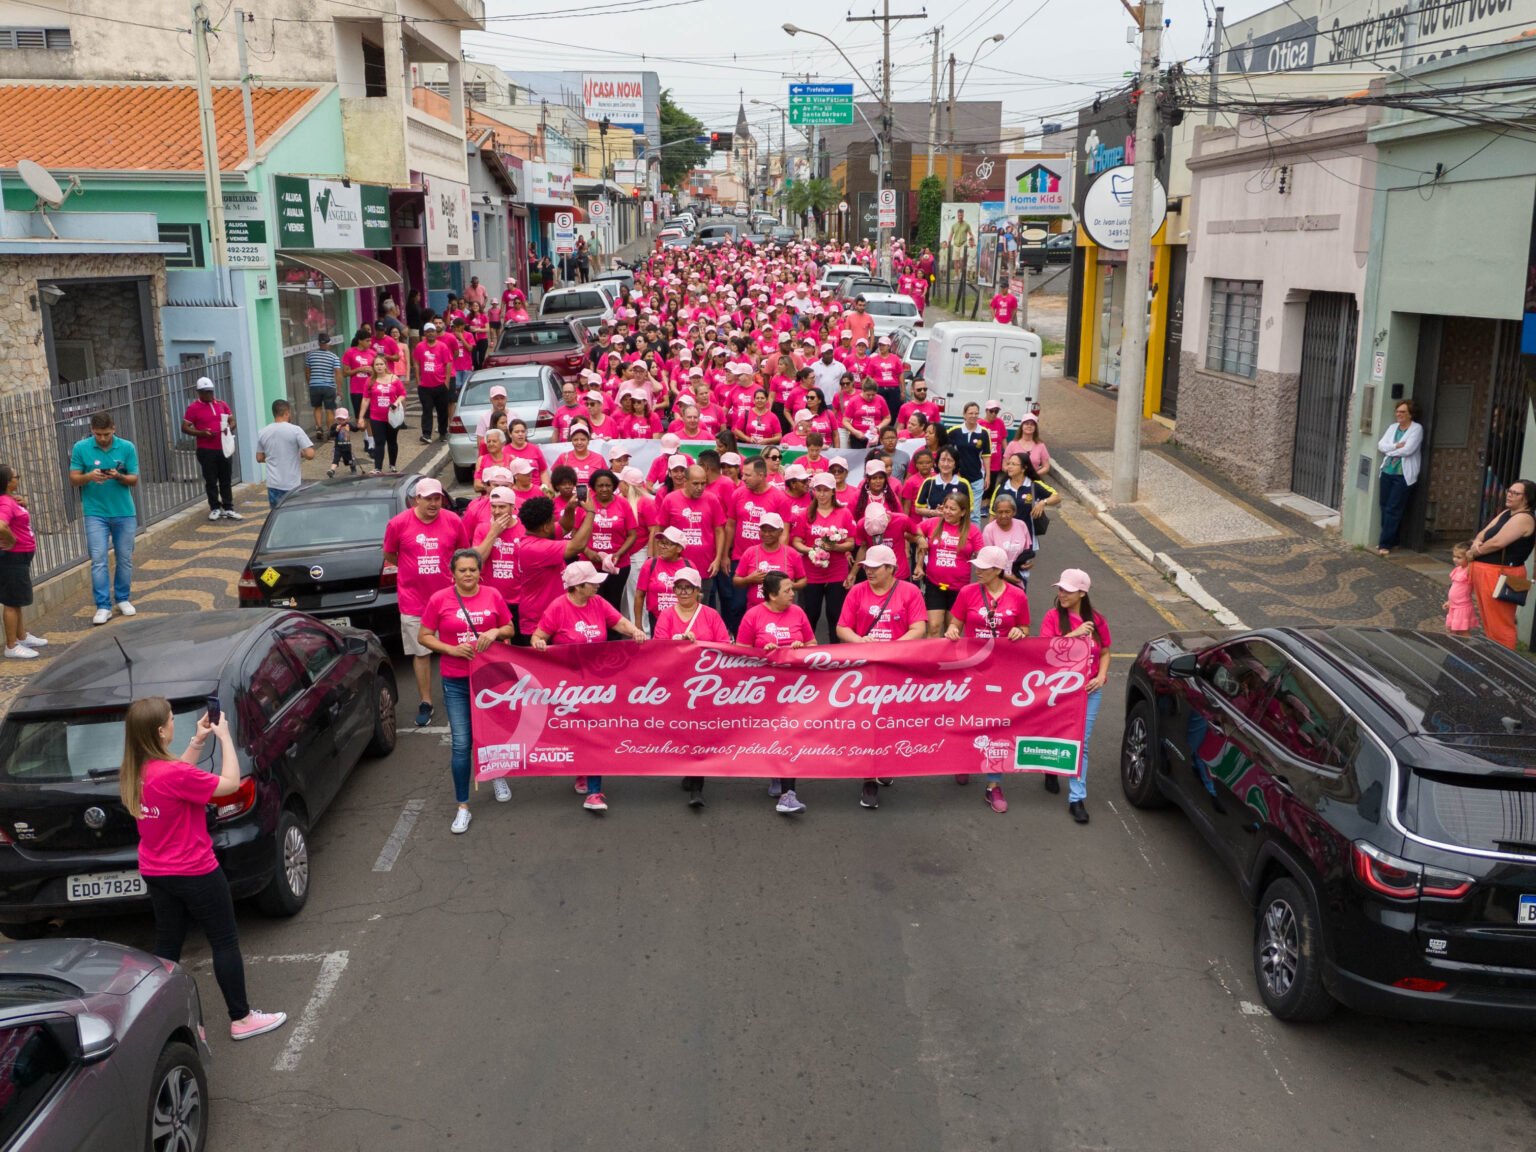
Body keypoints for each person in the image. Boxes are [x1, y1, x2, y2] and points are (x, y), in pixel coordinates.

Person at [119, 697, 287, 1041]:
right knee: (224, 940)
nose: (174, 723)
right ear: (160, 731)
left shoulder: (136, 771)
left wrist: (197, 741)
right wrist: (224, 737)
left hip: (156, 871)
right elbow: (230, 784)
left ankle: (162, 1024)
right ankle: (241, 1019)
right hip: (195, 870)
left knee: (168, 946)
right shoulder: (173, 774)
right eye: (171, 719)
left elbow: (175, 778)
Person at [531, 560, 648, 813]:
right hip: (569, 685)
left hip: (597, 684)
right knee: (579, 731)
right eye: (592, 583)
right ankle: (582, 770)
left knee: (595, 732)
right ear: (577, 587)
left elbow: (619, 622)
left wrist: (635, 632)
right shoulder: (558, 607)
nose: (597, 586)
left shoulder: (598, 602)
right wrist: (539, 643)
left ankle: (594, 792)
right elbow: (538, 636)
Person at [419, 549, 514, 832]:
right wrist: (450, 649)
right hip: (456, 680)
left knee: (494, 734)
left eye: (473, 569)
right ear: (453, 573)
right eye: (462, 570)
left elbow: (509, 627)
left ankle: (496, 774)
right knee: (462, 743)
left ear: (480, 572)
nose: (468, 574)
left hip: (490, 679)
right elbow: (423, 636)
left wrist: (495, 632)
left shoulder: (493, 595)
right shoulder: (439, 599)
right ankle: (463, 806)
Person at [835, 545, 927, 809]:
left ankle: (884, 762)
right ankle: (869, 779)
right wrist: (860, 641)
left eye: (875, 567)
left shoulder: (909, 591)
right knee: (868, 723)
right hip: (865, 669)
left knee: (891, 720)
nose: (869, 571)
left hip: (897, 668)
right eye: (867, 567)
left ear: (891, 569)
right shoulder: (857, 591)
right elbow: (842, 628)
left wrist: (892, 648)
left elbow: (918, 628)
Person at [945, 545, 1031, 811]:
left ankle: (994, 784)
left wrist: (1019, 632)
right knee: (966, 719)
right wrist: (951, 631)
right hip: (970, 670)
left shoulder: (1017, 596)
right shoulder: (967, 592)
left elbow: (1025, 627)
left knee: (997, 725)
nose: (977, 571)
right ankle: (964, 761)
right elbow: (955, 623)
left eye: (983, 568)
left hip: (1002, 672)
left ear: (997, 570)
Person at [382, 479, 466, 728]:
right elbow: (389, 553)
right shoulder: (398, 523)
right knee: (421, 652)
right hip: (414, 601)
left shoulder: (453, 521)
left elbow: (462, 552)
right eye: (428, 498)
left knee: (458, 649)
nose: (433, 503)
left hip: (450, 599)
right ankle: (426, 701)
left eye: (437, 498)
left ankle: (462, 693)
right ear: (416, 499)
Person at [651, 567, 732, 808]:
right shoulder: (666, 615)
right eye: (679, 587)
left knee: (699, 732)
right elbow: (658, 647)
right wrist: (678, 643)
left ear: (698, 591)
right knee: (682, 731)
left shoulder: (710, 615)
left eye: (688, 588)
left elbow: (724, 645)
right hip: (676, 683)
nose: (684, 592)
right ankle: (689, 770)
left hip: (705, 685)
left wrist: (700, 645)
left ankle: (697, 786)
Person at [735, 570, 814, 815]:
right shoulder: (753, 616)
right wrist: (762, 653)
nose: (792, 593)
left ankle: (788, 794)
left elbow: (813, 645)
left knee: (790, 734)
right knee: (774, 733)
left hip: (794, 687)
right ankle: (776, 775)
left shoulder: (798, 613)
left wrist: (801, 648)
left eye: (792, 589)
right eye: (787, 590)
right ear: (771, 595)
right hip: (764, 688)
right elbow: (740, 651)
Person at [1039, 568, 1111, 825]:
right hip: (1058, 689)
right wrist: (1074, 635)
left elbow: (1105, 652)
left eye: (1068, 591)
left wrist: (1100, 677)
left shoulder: (1098, 620)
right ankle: (1051, 768)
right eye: (1060, 589)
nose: (1062, 594)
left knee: (1082, 742)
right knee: (1055, 734)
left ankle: (1076, 798)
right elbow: (1044, 651)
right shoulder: (1052, 617)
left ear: (1082, 593)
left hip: (1088, 691)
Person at [70, 411, 140, 626]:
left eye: (106, 434)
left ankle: (122, 598)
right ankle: (103, 605)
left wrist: (118, 476)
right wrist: (89, 476)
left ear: (113, 429)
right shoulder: (81, 448)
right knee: (98, 559)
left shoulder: (127, 447)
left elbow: (134, 479)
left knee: (124, 558)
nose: (102, 438)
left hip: (124, 512)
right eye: (98, 434)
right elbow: (74, 479)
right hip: (95, 513)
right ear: (92, 430)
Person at [1466, 478, 1535, 649]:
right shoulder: (1506, 513)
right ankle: (1493, 656)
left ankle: (1504, 660)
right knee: (1490, 621)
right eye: (1509, 491)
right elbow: (1483, 534)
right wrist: (1477, 542)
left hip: (1501, 575)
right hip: (1488, 572)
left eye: (1516, 493)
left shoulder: (1524, 518)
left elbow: (1497, 542)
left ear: (1527, 498)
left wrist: (1473, 552)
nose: (1509, 495)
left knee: (1500, 625)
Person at [793, 472, 857, 639]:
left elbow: (851, 543)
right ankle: (807, 649)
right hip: (811, 573)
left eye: (826, 490)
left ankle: (835, 650)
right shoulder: (805, 514)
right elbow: (796, 541)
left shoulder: (844, 513)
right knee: (810, 614)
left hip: (836, 572)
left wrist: (835, 547)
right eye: (818, 489)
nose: (821, 494)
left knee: (835, 614)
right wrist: (812, 550)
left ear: (833, 491)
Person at [915, 492, 982, 637]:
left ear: (963, 512)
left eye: (952, 509)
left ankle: (948, 653)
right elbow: (913, 529)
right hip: (935, 584)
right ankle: (932, 653)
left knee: (951, 632)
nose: (947, 511)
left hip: (959, 588)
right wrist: (920, 539)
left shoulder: (973, 531)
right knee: (933, 627)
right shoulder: (933, 523)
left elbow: (982, 556)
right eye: (946, 507)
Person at [0, 464, 44, 659]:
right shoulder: (5, 502)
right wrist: (11, 539)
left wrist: (22, 505)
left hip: (20, 556)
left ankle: (21, 636)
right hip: (12, 557)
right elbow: (1, 525)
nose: (18, 479)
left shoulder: (10, 500)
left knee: (16, 599)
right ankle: (11, 646)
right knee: (11, 601)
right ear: (8, 482)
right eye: (16, 477)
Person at [183, 378, 239, 521]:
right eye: (206, 392)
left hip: (223, 447)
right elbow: (185, 427)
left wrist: (228, 428)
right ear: (199, 393)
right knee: (211, 480)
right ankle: (215, 508)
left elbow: (232, 420)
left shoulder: (221, 404)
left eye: (211, 392)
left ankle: (228, 508)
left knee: (226, 479)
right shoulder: (193, 408)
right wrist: (201, 433)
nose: (209, 395)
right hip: (206, 450)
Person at [583, 469, 639, 613]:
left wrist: (618, 554)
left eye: (608, 485)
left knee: (613, 605)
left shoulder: (623, 504)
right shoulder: (586, 504)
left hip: (618, 565)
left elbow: (632, 535)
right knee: (592, 604)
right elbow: (576, 533)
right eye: (600, 485)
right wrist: (587, 551)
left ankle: (613, 629)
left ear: (614, 486)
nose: (604, 489)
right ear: (593, 487)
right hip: (590, 564)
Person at [1375, 400, 1423, 556]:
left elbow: (1408, 450)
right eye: (1397, 411)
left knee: (1393, 508)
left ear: (1410, 414)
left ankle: (1385, 544)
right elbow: (1381, 445)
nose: (1399, 414)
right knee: (1384, 506)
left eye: (1403, 412)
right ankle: (1393, 540)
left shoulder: (1416, 429)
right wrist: (1395, 446)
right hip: (1387, 471)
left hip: (1403, 475)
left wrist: (1389, 450)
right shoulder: (1392, 427)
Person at [255, 399, 317, 508]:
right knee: (293, 512)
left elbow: (259, 458)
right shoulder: (295, 430)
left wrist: (274, 456)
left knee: (277, 513)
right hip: (291, 484)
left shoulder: (263, 432)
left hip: (273, 484)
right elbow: (310, 454)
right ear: (287, 413)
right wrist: (301, 453)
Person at [947, 403, 991, 525]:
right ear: (964, 415)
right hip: (958, 478)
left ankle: (974, 536)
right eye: (970, 413)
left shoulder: (984, 433)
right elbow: (943, 447)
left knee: (974, 514)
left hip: (976, 478)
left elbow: (986, 455)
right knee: (956, 511)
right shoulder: (954, 431)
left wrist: (988, 476)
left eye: (976, 413)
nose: (973, 416)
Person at [364, 355, 407, 474]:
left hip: (392, 416)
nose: (379, 366)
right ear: (373, 366)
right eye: (376, 364)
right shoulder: (370, 381)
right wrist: (361, 416)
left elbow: (402, 394)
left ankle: (392, 465)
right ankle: (378, 467)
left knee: (392, 441)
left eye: (381, 364)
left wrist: (396, 402)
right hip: (376, 417)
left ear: (385, 365)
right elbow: (366, 399)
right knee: (379, 442)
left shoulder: (394, 378)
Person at [412, 323, 454, 443]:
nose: (430, 333)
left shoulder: (442, 346)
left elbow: (448, 363)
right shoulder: (420, 346)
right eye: (428, 331)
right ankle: (426, 434)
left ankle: (443, 433)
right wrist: (418, 380)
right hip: (425, 386)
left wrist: (447, 381)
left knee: (442, 411)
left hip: (440, 384)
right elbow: (416, 363)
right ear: (425, 333)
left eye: (432, 331)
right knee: (427, 410)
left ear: (436, 332)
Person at [303, 332, 343, 439]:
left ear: (318, 343)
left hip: (314, 386)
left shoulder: (310, 355)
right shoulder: (334, 357)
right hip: (329, 387)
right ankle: (330, 431)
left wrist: (310, 383)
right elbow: (338, 374)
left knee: (317, 407)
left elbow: (307, 372)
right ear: (329, 343)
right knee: (329, 409)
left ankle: (319, 428)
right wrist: (339, 390)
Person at [1444, 541, 1477, 638]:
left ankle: (1467, 645)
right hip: (1454, 605)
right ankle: (1455, 644)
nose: (1455, 559)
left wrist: (1471, 557)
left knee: (1463, 631)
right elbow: (1454, 588)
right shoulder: (1458, 569)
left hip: (1462, 606)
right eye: (1454, 556)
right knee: (1451, 629)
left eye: (1459, 557)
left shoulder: (1468, 570)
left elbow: (1472, 565)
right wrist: (1449, 601)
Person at [328, 407, 358, 477]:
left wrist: (358, 426)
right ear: (336, 419)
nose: (341, 421)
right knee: (336, 459)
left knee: (348, 460)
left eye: (343, 419)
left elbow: (354, 429)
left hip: (346, 446)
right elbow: (331, 435)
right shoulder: (334, 426)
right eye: (339, 419)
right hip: (338, 446)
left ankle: (352, 466)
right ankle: (332, 470)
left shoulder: (348, 425)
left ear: (347, 419)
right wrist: (336, 430)